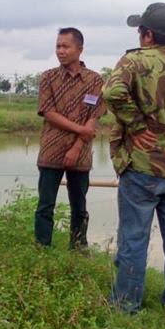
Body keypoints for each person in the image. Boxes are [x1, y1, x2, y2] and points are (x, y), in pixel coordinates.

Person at [103, 3, 165, 315]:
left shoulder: (136, 60)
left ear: (148, 35)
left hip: (144, 166)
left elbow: (112, 91)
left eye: (140, 31)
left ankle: (126, 304)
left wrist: (136, 125)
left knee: (134, 238)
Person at [34, 27, 106, 250]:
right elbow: (48, 112)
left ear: (80, 49)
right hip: (51, 150)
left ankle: (78, 247)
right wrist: (81, 130)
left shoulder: (94, 80)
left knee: (79, 205)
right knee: (46, 204)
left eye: (66, 46)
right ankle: (42, 247)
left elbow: (93, 116)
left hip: (81, 153)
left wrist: (77, 146)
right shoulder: (48, 77)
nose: (61, 51)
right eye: (58, 46)